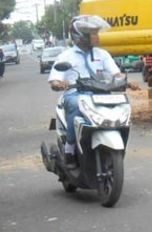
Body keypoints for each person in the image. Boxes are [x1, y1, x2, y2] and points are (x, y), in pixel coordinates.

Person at [47, 15, 130, 167]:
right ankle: (69, 150)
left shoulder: (102, 54)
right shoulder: (66, 56)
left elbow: (116, 74)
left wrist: (124, 80)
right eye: (93, 33)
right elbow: (54, 80)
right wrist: (59, 84)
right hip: (75, 94)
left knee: (121, 105)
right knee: (74, 106)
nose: (97, 37)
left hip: (100, 94)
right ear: (81, 36)